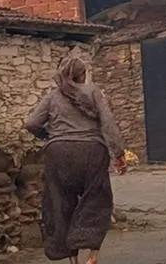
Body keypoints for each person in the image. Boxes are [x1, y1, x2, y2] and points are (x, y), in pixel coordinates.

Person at [25, 51, 127, 264]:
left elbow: (32, 124)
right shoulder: (93, 92)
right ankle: (93, 255)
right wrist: (118, 153)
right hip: (92, 152)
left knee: (61, 203)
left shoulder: (53, 96)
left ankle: (73, 260)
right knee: (96, 198)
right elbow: (108, 123)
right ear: (83, 75)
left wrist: (50, 137)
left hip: (59, 153)